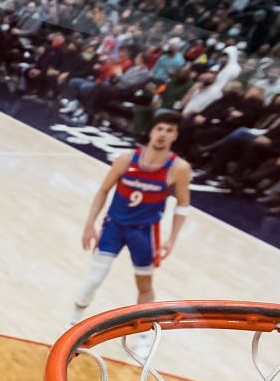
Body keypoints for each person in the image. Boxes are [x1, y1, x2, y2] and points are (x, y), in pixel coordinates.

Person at [75, 111, 193, 333]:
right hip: (114, 226)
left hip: (144, 232)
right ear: (151, 131)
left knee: (144, 285)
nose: (162, 134)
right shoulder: (126, 159)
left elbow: (183, 205)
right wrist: (90, 224)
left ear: (175, 136)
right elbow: (103, 190)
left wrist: (172, 239)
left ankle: (143, 335)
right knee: (94, 278)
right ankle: (72, 322)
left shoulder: (179, 168)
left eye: (169, 131)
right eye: (160, 129)